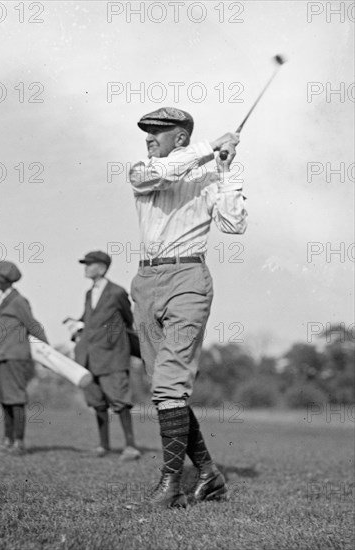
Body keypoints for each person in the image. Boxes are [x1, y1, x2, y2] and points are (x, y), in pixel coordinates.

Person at [128, 107, 248, 507]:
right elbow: (162, 173)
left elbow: (234, 224)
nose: (148, 138)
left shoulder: (212, 176)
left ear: (179, 137)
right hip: (146, 283)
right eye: (147, 132)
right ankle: (210, 475)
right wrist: (210, 146)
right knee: (165, 393)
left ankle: (171, 484)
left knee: (169, 386)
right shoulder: (144, 171)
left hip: (188, 281)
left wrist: (228, 170)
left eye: (157, 133)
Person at [72, 250, 141, 461]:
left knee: (120, 401)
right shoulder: (88, 293)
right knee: (97, 402)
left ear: (101, 268)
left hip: (113, 357)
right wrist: (76, 326)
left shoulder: (117, 292)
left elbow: (128, 322)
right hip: (90, 357)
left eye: (89, 264)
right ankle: (104, 445)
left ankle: (130, 447)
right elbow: (88, 319)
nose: (86, 267)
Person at [0, 260, 48, 455]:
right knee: (5, 399)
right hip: (2, 356)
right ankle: (8, 439)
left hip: (14, 356)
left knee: (16, 399)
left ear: (3, 280)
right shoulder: (5, 299)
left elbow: (33, 325)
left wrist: (47, 351)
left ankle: (18, 442)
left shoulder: (18, 301)